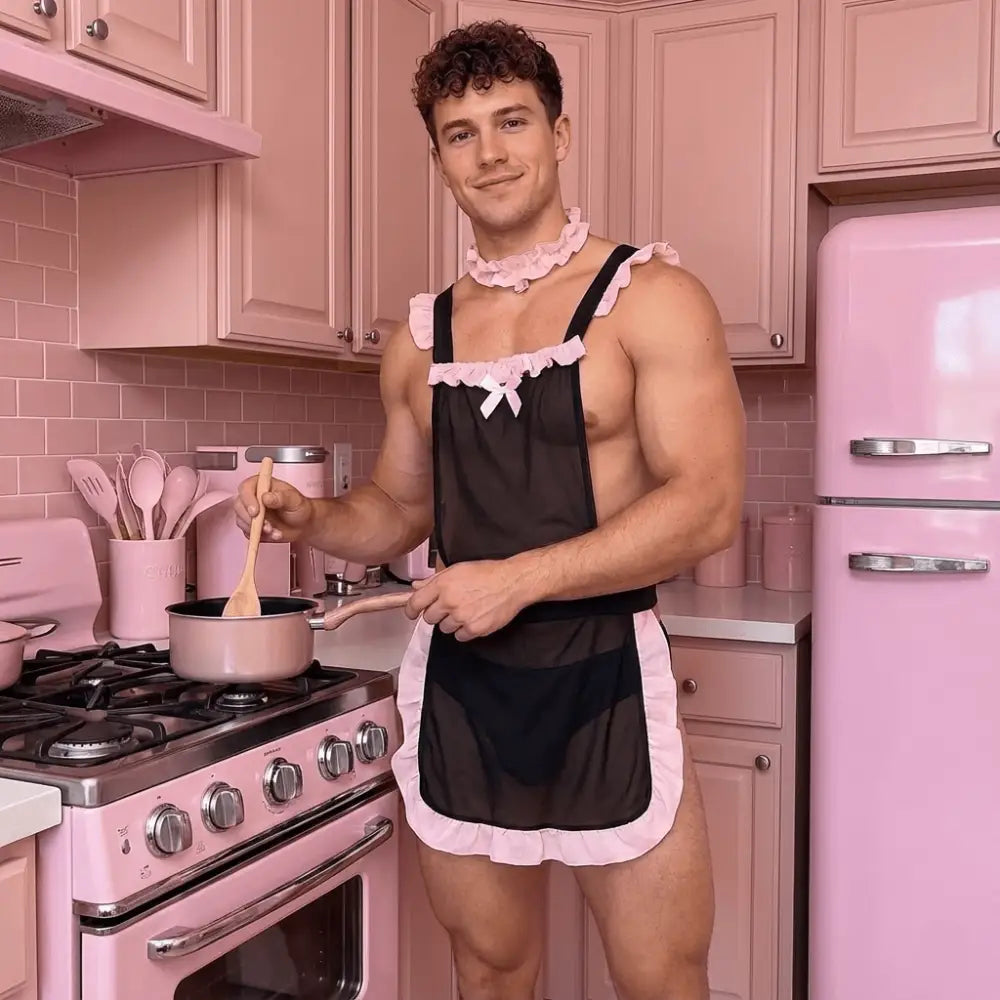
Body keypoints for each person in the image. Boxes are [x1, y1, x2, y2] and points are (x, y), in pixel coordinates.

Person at [235, 19, 745, 1000]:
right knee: (490, 968)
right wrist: (312, 518)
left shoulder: (651, 299)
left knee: (662, 975)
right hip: (463, 693)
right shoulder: (417, 339)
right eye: (461, 133)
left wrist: (517, 579)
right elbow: (396, 512)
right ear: (438, 159)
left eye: (512, 120)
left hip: (604, 676)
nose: (490, 150)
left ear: (559, 132)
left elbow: (706, 506)